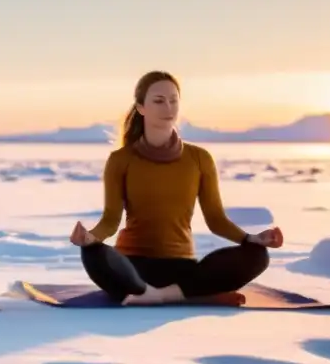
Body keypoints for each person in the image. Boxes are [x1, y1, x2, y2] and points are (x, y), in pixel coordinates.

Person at [69, 71, 284, 305]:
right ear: (141, 107)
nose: (168, 108)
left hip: (182, 269)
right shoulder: (121, 160)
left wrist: (251, 238)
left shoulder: (199, 158)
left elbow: (216, 220)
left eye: (173, 100)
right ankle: (181, 294)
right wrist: (90, 238)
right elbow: (110, 220)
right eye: (159, 101)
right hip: (132, 268)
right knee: (93, 253)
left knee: (257, 256)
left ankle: (161, 295)